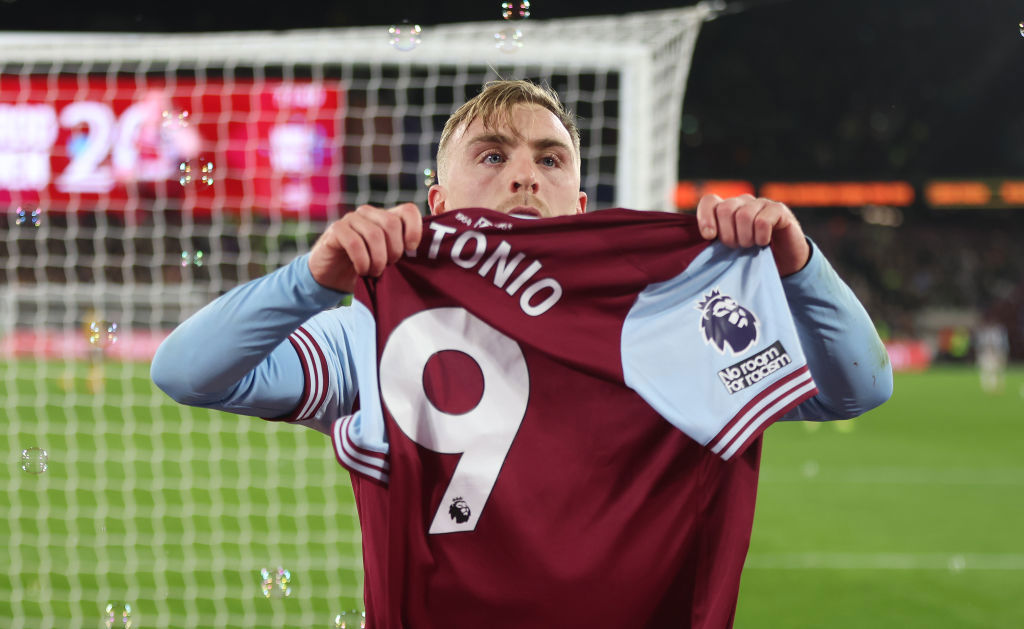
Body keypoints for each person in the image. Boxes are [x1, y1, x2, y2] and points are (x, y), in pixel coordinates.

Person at [152, 80, 893, 627]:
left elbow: (858, 387)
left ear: (578, 203)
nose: (523, 174)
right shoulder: (374, 329)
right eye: (493, 153)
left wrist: (799, 263)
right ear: (437, 202)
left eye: (550, 157)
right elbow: (184, 371)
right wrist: (309, 279)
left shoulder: (665, 324)